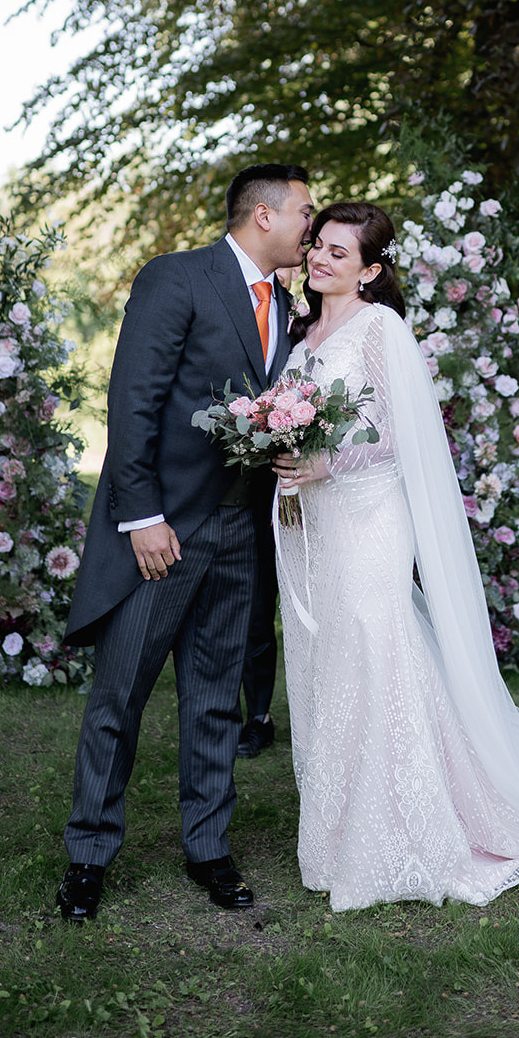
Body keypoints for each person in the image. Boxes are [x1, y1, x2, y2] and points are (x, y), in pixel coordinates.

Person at [272, 201, 519, 913]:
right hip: (313, 521)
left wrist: (327, 462)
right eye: (318, 247)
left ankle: (408, 827)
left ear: (369, 270)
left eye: (339, 253)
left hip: (368, 512)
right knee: (325, 656)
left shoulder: (379, 327)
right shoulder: (302, 330)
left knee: (376, 646)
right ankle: (339, 834)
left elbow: (403, 434)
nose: (320, 260)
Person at [57, 163, 314, 921]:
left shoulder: (285, 304)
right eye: (304, 210)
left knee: (213, 702)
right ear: (262, 216)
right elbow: (131, 400)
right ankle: (88, 856)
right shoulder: (177, 279)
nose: (313, 221)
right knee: (119, 697)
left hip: (240, 531)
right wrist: (141, 519)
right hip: (165, 530)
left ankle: (209, 848)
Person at [236, 263, 300, 761]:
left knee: (279, 606)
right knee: (250, 608)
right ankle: (256, 715)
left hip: (294, 484)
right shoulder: (231, 298)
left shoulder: (299, 314)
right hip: (235, 476)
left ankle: (268, 713)